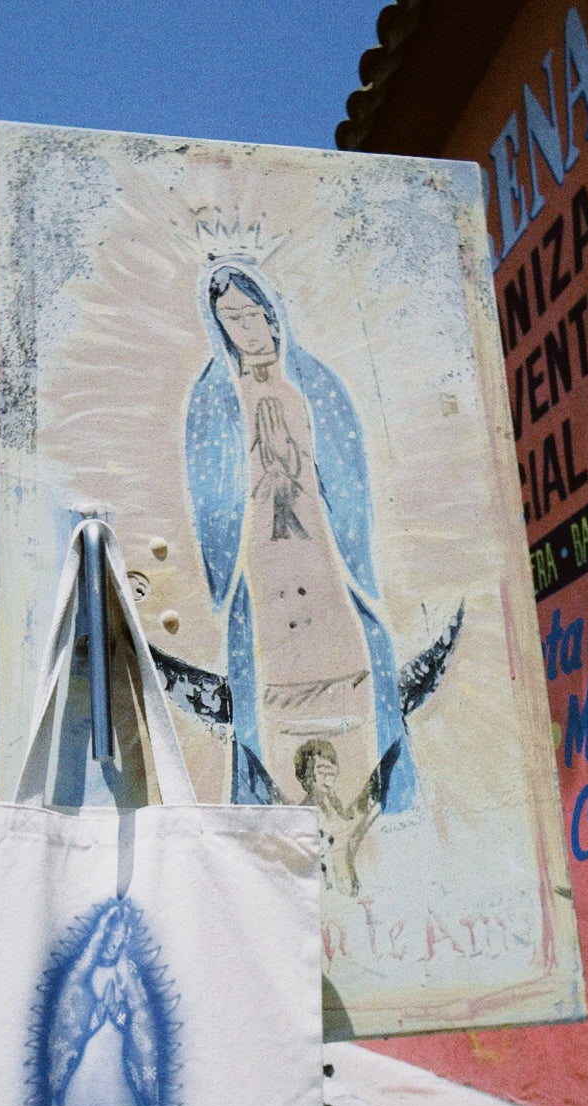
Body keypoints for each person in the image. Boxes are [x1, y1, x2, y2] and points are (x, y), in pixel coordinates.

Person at [185, 260, 415, 811]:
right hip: (260, 563)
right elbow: (209, 491)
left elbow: (349, 478)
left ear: (271, 314)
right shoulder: (214, 397)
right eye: (229, 319)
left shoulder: (314, 386)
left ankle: (390, 796)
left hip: (321, 552)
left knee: (365, 653)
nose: (245, 328)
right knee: (257, 676)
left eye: (250, 313)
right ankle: (260, 807)